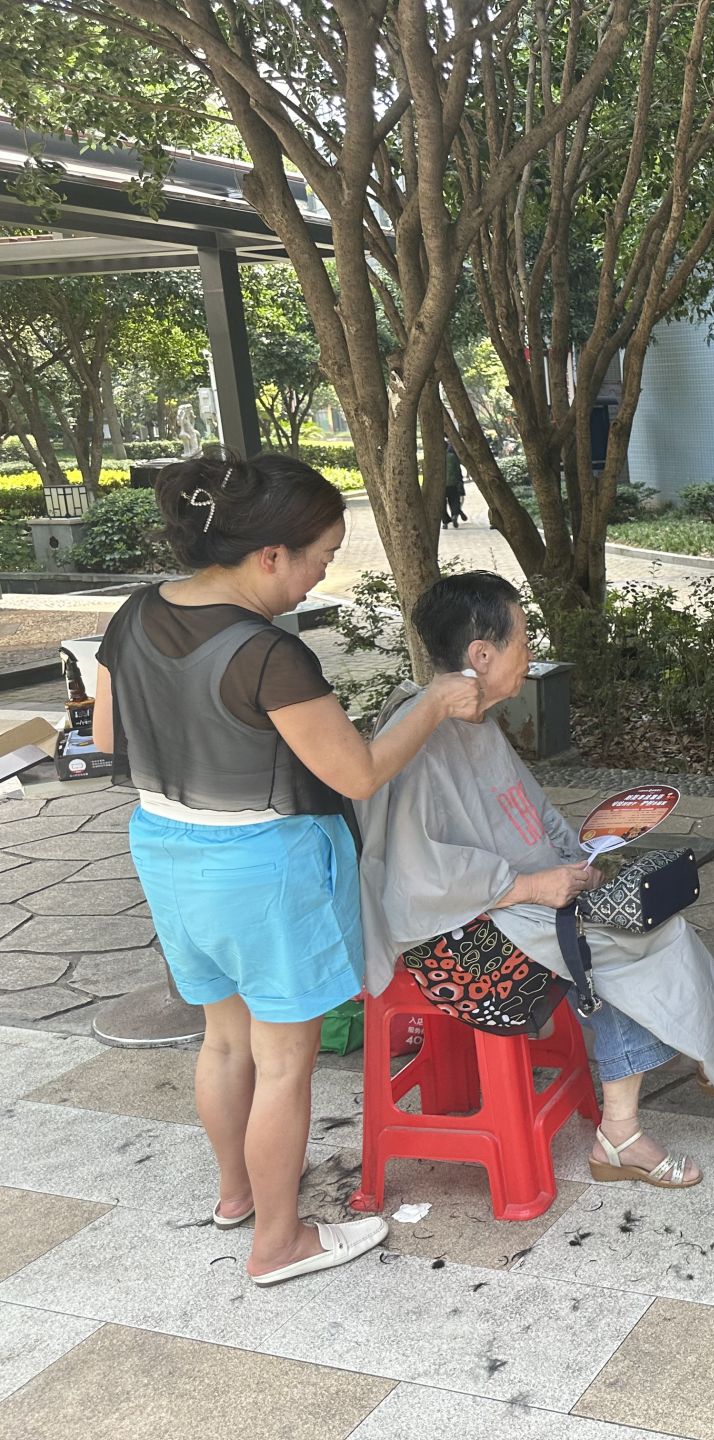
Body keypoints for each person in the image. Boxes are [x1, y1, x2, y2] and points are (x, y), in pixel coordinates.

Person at [92, 448, 485, 1286]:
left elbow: (104, 735)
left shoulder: (134, 613)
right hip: (263, 871)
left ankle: (238, 1194)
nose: (322, 574)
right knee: (282, 1064)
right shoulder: (268, 654)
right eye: (321, 557)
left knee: (224, 1041)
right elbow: (357, 772)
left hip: (167, 852)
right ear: (270, 554)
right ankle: (280, 1242)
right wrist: (433, 701)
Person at [355, 573, 714, 1189]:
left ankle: (687, 1075)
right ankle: (664, 1098)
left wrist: (577, 858)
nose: (531, 653)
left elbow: (528, 814)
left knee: (633, 920)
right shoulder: (420, 734)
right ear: (481, 654)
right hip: (456, 945)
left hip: (502, 906)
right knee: (630, 941)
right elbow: (419, 880)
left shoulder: (474, 720)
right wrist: (533, 887)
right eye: (523, 640)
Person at [441, 443, 467, 528]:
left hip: (440, 485)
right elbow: (458, 470)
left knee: (441, 504)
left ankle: (445, 522)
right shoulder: (452, 457)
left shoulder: (435, 458)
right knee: (455, 501)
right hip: (453, 483)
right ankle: (455, 515)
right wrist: (460, 481)